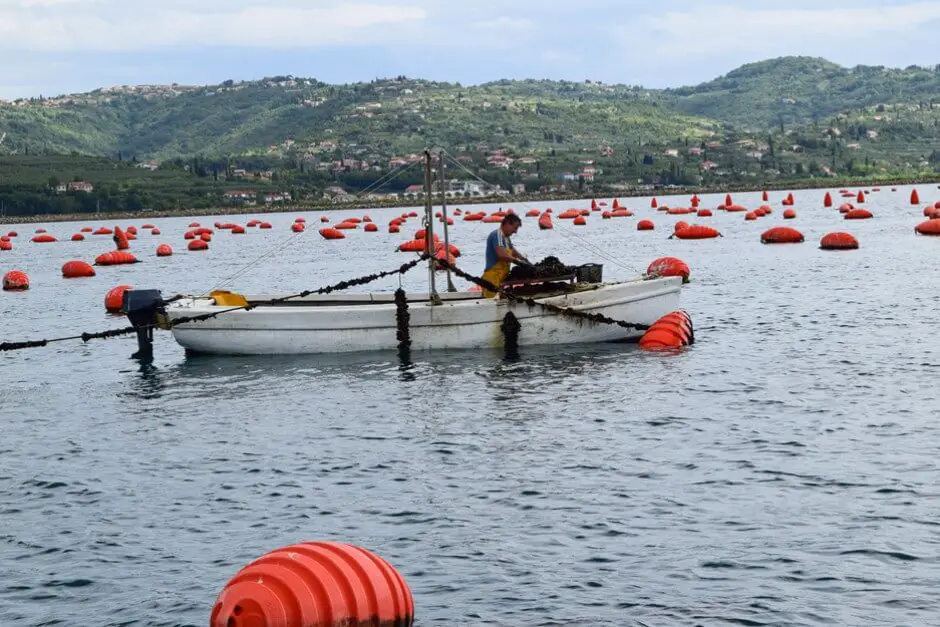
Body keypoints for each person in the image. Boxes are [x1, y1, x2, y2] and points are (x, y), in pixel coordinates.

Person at [481, 213, 529, 298]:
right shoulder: (497, 235)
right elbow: (501, 255)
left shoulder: (506, 238)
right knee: (491, 305)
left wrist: (524, 260)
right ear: (507, 224)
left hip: (501, 278)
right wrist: (518, 262)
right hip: (492, 278)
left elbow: (513, 251)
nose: (515, 231)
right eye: (515, 228)